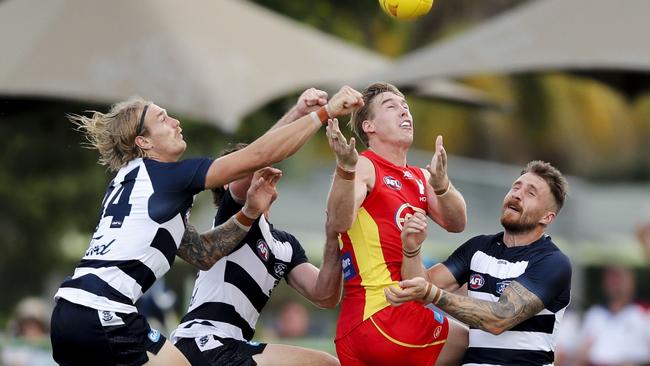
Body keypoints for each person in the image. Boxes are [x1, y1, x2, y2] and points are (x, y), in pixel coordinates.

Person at [50, 86, 364, 366]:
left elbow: (202, 253)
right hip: (105, 312)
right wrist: (325, 112)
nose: (175, 122)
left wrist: (250, 214)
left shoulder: (137, 184)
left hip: (69, 312)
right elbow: (261, 154)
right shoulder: (165, 176)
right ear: (143, 141)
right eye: (163, 118)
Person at [171, 90, 347, 366]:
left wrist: (333, 235)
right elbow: (258, 158)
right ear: (229, 184)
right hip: (202, 340)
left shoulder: (286, 245)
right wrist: (299, 114)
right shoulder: (236, 216)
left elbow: (325, 295)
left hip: (232, 346)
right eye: (239, 170)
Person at [324, 82, 468, 366]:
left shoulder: (419, 176)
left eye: (406, 106)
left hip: (359, 327)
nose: (404, 111)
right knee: (475, 342)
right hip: (386, 314)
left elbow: (457, 223)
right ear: (369, 127)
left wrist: (442, 185)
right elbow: (339, 221)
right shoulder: (365, 166)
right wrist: (345, 168)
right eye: (391, 106)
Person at [385, 160, 572, 366]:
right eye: (516, 187)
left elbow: (500, 318)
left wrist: (432, 294)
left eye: (531, 193)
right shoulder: (478, 247)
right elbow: (420, 287)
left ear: (547, 217)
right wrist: (411, 249)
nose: (517, 194)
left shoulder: (553, 262)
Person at [575, 266, 650, 366]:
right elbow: (581, 353)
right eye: (610, 277)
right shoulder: (595, 313)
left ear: (632, 281)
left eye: (619, 277)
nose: (614, 282)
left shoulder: (645, 312)